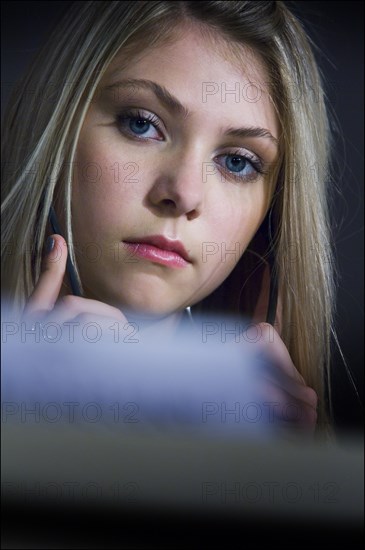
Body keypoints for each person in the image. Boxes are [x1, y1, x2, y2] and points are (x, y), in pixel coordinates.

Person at [1, 1, 333, 438]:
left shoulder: (277, 453)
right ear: (57, 127)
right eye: (141, 124)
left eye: (237, 162)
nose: (184, 194)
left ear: (271, 217)